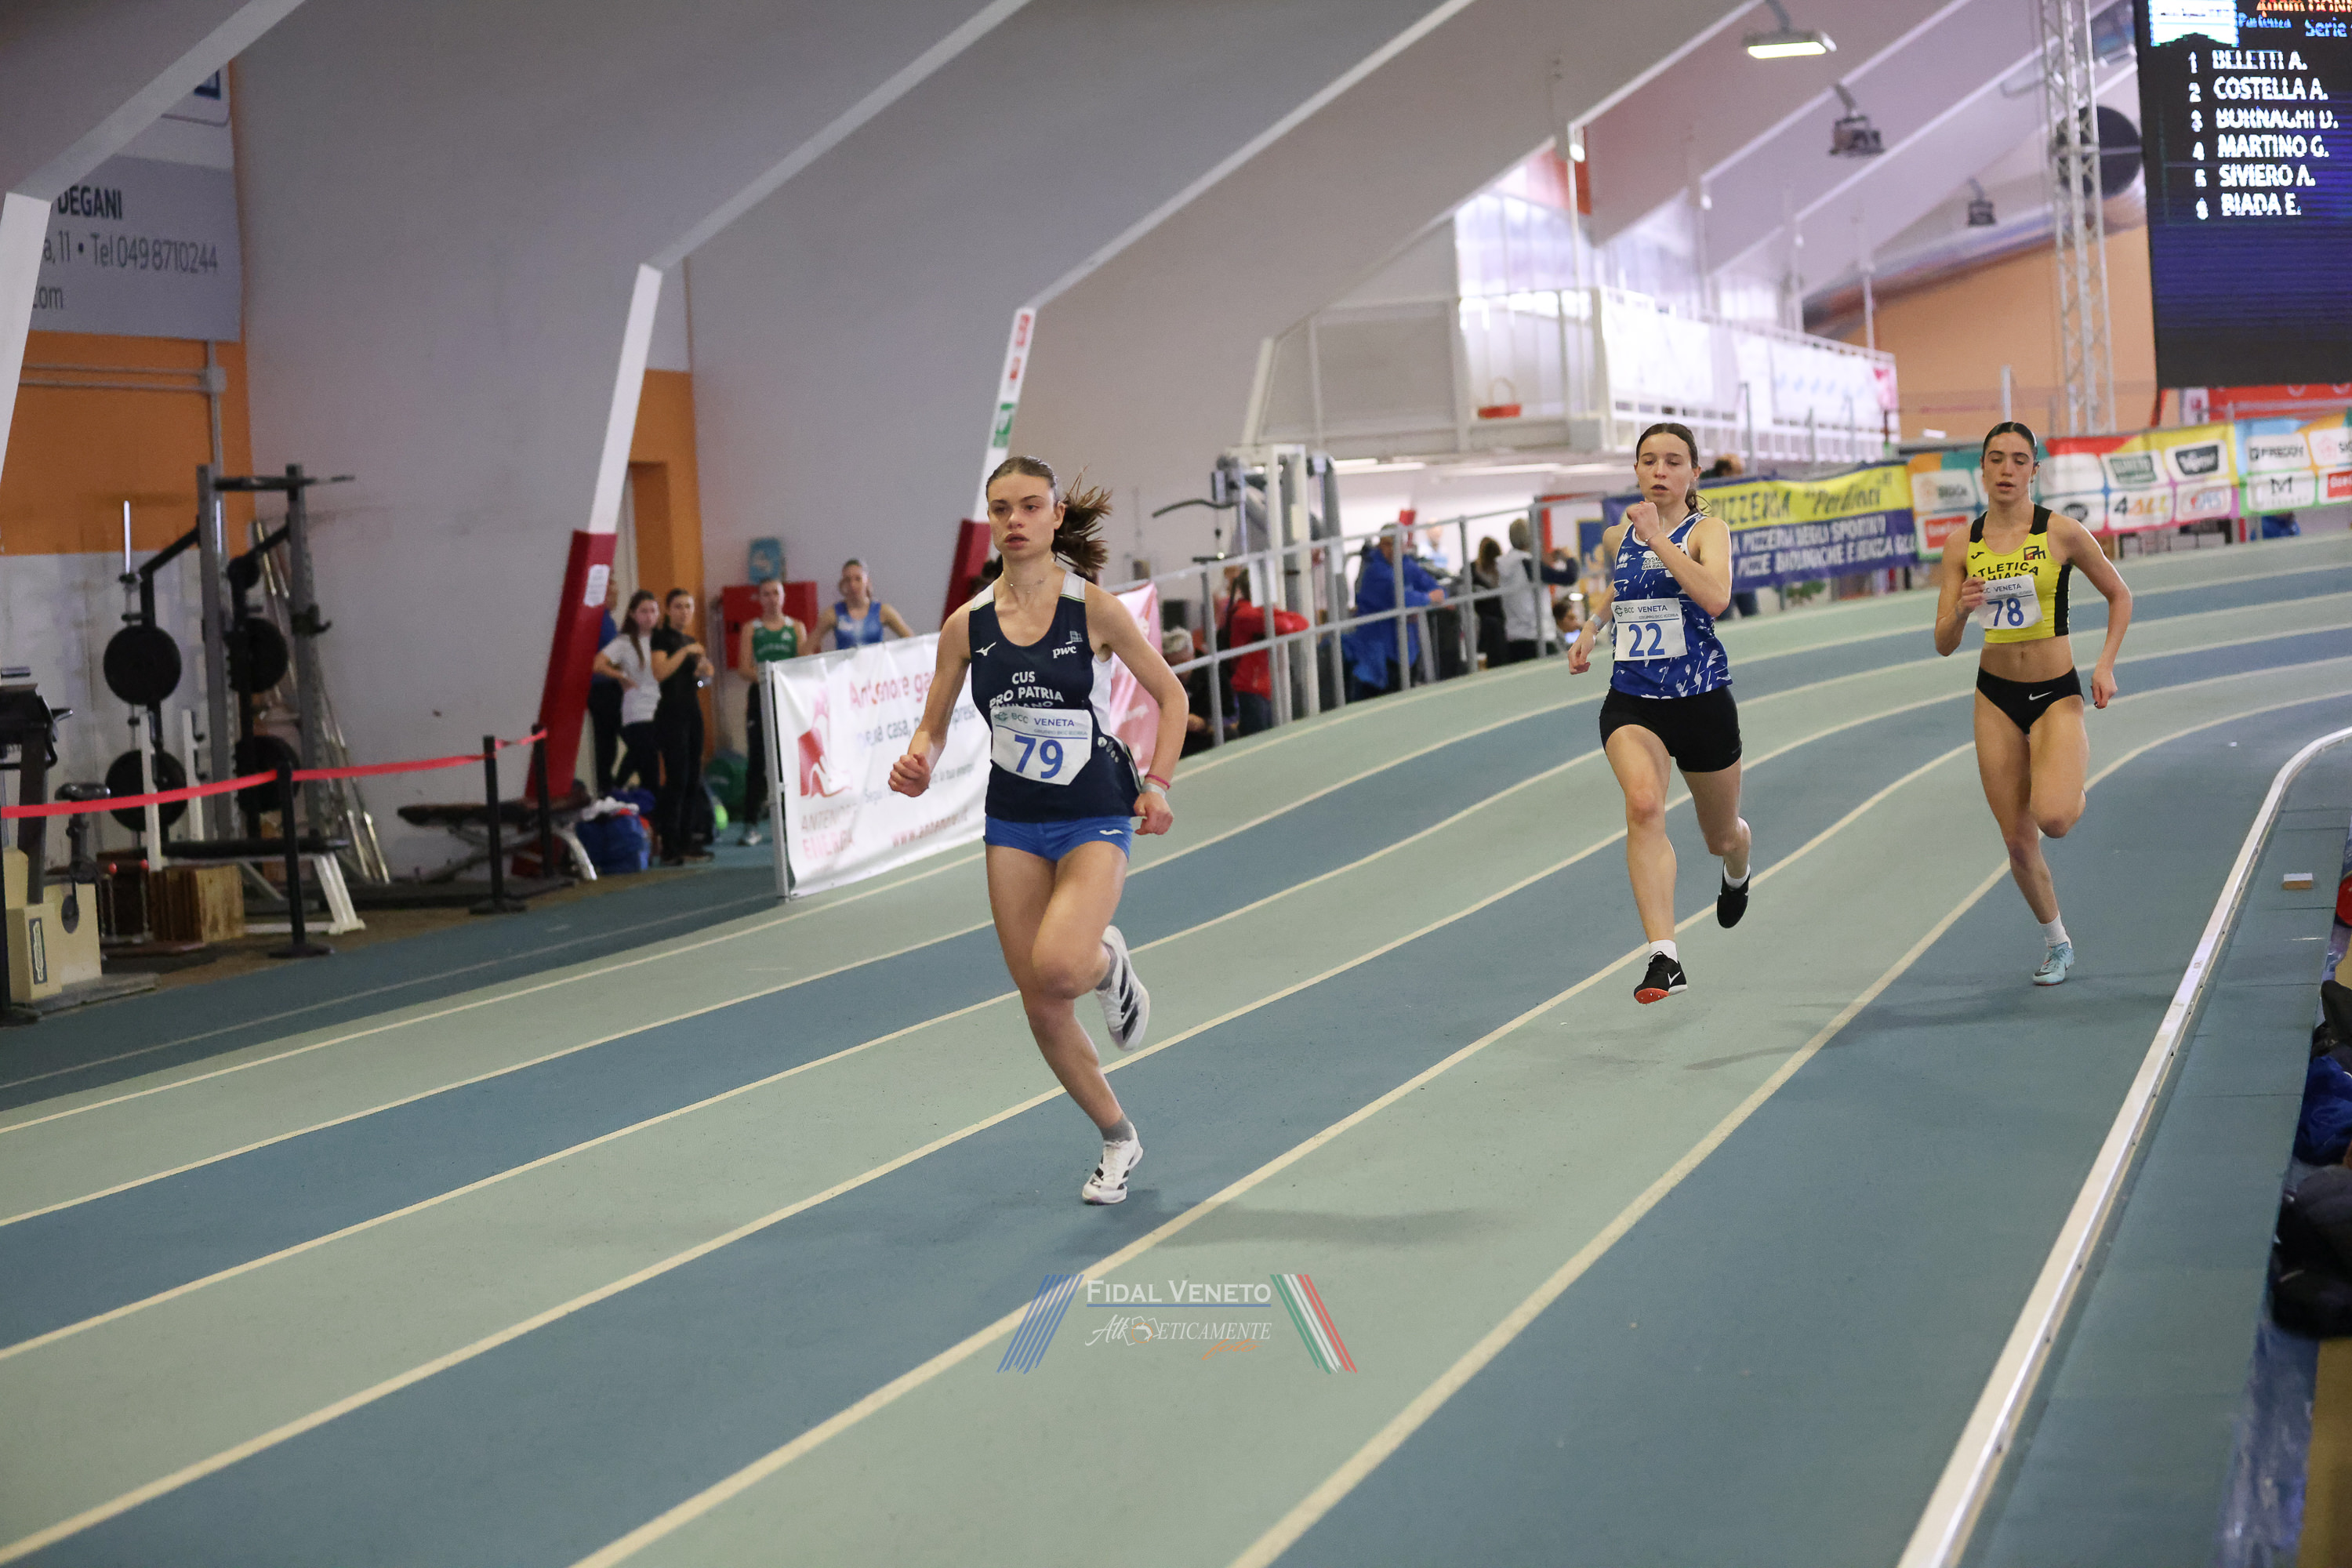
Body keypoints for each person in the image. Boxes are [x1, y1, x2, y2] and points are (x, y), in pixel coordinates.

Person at [890, 456, 1189, 1207]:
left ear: (1056, 516)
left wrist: (1157, 784)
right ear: (990, 521)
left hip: (1094, 811)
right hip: (1014, 822)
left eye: (1029, 506)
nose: (1014, 521)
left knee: (1059, 965)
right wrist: (919, 761)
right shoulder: (966, 625)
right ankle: (1117, 1137)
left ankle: (1105, 962)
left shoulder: (1094, 610)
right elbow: (932, 726)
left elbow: (1172, 696)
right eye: (1001, 509)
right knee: (1040, 1000)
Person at [1933, 421, 2132, 985]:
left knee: (2055, 819)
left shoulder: (2062, 533)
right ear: (1982, 468)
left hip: (2054, 693)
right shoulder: (1961, 545)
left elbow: (2119, 595)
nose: (2006, 469)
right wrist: (1961, 610)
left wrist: (2105, 665)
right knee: (2018, 841)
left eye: (2019, 460)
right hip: (1994, 696)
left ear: (2034, 471)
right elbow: (1943, 643)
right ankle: (2057, 943)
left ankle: (2067, 782)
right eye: (1996, 458)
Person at [1569, 422, 1754, 1004]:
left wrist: (1658, 539)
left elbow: (1716, 598)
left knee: (1719, 835)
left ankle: (1739, 866)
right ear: (1636, 469)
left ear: (1694, 473)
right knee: (1644, 805)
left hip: (1701, 702)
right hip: (1633, 699)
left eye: (1674, 461)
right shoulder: (1616, 535)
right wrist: (1593, 625)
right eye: (1649, 460)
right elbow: (1625, 587)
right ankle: (1664, 957)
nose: (1659, 471)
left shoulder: (1709, 531)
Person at [737, 576, 810, 847]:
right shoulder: (751, 629)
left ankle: (791, 822)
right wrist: (768, 678)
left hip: (787, 698)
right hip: (761, 696)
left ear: (783, 596)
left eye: (776, 593)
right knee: (757, 761)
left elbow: (803, 664)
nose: (771, 599)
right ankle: (750, 824)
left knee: (789, 759)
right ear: (759, 598)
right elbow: (744, 668)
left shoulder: (796, 627)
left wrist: (783, 680)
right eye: (766, 594)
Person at [1341, 529, 1446, 699]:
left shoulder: (1406, 564)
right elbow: (1399, 597)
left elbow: (1436, 588)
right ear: (1380, 545)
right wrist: (1426, 599)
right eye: (1387, 544)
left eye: (1396, 544)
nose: (1392, 549)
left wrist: (1426, 600)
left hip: (1406, 647)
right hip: (1378, 652)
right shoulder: (1374, 570)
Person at [651, 586, 713, 866]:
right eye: (678, 606)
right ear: (668, 610)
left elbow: (698, 683)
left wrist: (704, 674)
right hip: (670, 713)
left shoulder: (691, 640)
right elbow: (660, 672)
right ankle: (670, 845)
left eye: (688, 607)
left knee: (692, 779)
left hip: (691, 711)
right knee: (676, 779)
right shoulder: (661, 638)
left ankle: (687, 841)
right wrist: (686, 651)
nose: (684, 612)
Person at [1216, 570, 1308, 735]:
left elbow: (1301, 622)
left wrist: (1277, 615)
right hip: (1250, 687)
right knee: (1258, 736)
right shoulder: (1246, 614)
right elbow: (1285, 626)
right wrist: (1279, 616)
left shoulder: (1256, 611)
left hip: (1260, 686)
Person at [593, 590, 665, 793]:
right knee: (648, 766)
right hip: (638, 712)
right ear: (633, 614)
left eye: (653, 611)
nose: (649, 616)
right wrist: (621, 676)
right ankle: (615, 788)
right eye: (644, 611)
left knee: (648, 761)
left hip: (659, 709)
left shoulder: (663, 640)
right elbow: (598, 664)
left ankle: (618, 787)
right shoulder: (625, 642)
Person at [1496, 516, 1576, 666]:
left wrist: (1544, 564)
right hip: (1537, 636)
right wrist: (1570, 558)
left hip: (1514, 639)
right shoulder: (1529, 565)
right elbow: (1569, 578)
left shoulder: (1506, 565)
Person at [1707, 457, 1761, 618]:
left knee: (1751, 612)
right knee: (1725, 615)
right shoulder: (1706, 495)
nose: (1741, 476)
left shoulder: (1742, 494)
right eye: (1738, 472)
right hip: (1719, 569)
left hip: (1742, 565)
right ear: (1725, 472)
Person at [825, 558, 913, 651]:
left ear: (867, 581)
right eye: (848, 580)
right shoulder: (833, 613)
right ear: (842, 584)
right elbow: (813, 644)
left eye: (858, 579)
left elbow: (912, 641)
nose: (852, 585)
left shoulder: (883, 611)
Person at [587, 580, 623, 793]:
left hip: (609, 685)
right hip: (602, 687)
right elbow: (605, 659)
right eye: (611, 589)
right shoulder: (599, 619)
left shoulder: (607, 619)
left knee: (609, 741)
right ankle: (607, 786)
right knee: (608, 741)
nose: (616, 594)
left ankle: (609, 785)